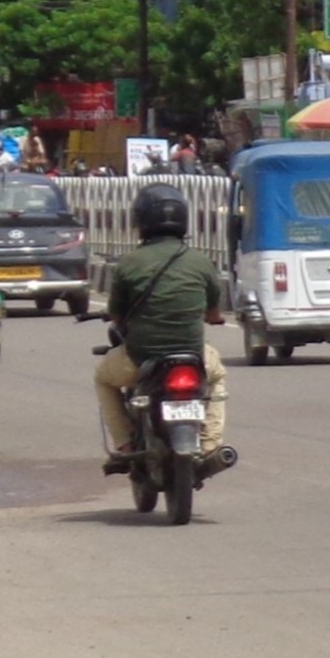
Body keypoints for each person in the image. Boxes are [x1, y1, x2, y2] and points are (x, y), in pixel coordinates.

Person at [93, 183, 231, 472]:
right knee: (216, 377)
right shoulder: (201, 261)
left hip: (141, 357)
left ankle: (125, 445)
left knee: (103, 378)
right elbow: (214, 312)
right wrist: (211, 317)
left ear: (140, 221)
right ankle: (209, 446)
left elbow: (117, 316)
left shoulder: (129, 263)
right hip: (192, 357)